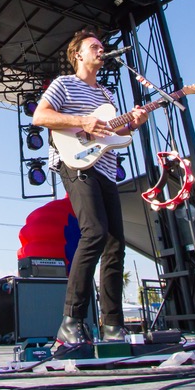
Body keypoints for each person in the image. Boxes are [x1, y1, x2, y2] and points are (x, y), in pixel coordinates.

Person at [32, 29, 147, 346]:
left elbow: (114, 133)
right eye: (94, 46)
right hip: (75, 163)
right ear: (78, 55)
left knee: (115, 245)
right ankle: (71, 321)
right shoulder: (64, 84)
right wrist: (82, 121)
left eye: (102, 46)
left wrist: (133, 123)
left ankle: (112, 325)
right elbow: (41, 116)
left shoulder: (107, 96)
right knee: (94, 232)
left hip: (106, 170)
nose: (101, 49)